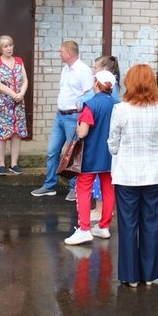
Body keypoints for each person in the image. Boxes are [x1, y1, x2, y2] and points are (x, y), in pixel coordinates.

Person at [108, 64, 158, 287]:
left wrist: (120, 149)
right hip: (155, 173)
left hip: (127, 176)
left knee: (128, 225)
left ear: (129, 83)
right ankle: (150, 274)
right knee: (152, 224)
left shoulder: (121, 109)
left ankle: (130, 276)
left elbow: (113, 144)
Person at [30, 40, 93, 201]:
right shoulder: (65, 69)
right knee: (52, 151)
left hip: (73, 116)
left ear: (69, 54)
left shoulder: (83, 70)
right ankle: (50, 185)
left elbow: (89, 94)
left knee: (73, 153)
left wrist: (81, 116)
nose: (60, 54)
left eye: (61, 52)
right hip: (60, 115)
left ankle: (74, 188)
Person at [63, 70, 119, 245]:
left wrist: (79, 123)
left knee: (83, 189)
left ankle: (84, 229)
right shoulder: (117, 104)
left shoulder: (91, 105)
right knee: (109, 190)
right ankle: (103, 227)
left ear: (96, 83)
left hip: (90, 156)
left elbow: (82, 132)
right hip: (111, 157)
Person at [89, 55, 121, 223]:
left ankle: (101, 210)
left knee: (101, 180)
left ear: (105, 70)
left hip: (102, 140)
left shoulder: (105, 92)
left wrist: (82, 103)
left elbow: (89, 102)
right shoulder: (113, 94)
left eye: (96, 68)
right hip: (107, 139)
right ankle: (104, 211)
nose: (94, 70)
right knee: (106, 181)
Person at [0, 35, 28, 175]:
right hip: (3, 103)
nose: (9, 48)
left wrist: (21, 93)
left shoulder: (19, 61)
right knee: (1, 134)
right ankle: (1, 164)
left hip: (18, 103)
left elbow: (25, 80)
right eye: (5, 46)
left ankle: (14, 163)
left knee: (17, 133)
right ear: (0, 49)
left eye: (10, 45)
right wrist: (13, 94)